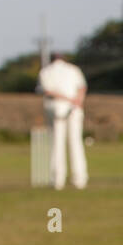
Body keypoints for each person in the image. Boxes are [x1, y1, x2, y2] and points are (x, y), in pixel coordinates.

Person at [35, 52, 88, 190]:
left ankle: (57, 180)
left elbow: (47, 91)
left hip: (57, 107)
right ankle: (79, 179)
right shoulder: (73, 69)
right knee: (75, 142)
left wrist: (69, 100)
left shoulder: (46, 72)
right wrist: (76, 101)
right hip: (73, 107)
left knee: (57, 143)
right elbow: (81, 88)